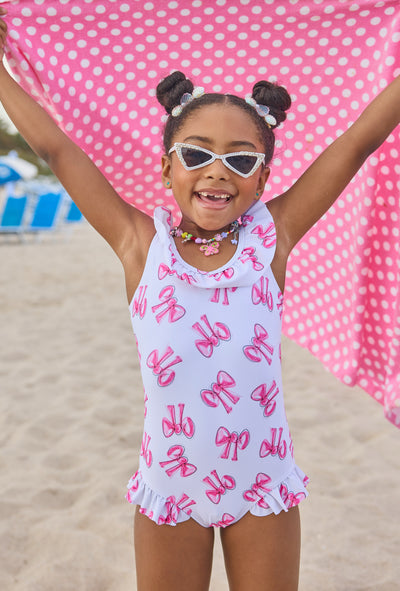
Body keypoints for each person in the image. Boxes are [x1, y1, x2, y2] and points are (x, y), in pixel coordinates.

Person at [1, 7, 399, 591]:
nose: (218, 172)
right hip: (171, 487)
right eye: (196, 153)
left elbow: (359, 140)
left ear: (263, 179)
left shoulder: (273, 237)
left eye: (241, 159)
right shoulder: (139, 244)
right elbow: (58, 150)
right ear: (167, 167)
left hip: (261, 485)